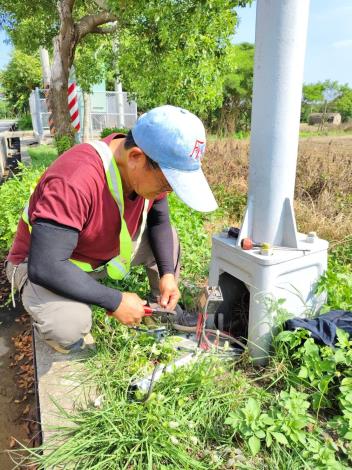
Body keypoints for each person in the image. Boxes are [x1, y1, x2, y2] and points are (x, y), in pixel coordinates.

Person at [6, 105, 218, 353]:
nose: (167, 192)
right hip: (44, 263)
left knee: (168, 236)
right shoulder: (75, 179)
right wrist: (114, 300)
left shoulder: (143, 170)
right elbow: (46, 265)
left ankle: (159, 308)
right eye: (166, 185)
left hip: (95, 255)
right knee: (67, 327)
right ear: (136, 157)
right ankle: (55, 305)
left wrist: (167, 274)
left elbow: (159, 220)